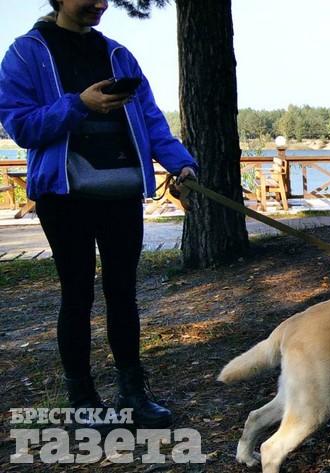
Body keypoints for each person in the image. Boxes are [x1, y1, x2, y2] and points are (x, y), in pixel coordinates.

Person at [0, 0, 198, 428]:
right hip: (63, 195)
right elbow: (21, 127)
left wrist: (181, 164)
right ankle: (83, 402)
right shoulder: (26, 52)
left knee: (123, 292)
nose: (101, 4)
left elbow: (150, 120)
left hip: (121, 190)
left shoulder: (118, 54)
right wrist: (79, 104)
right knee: (77, 295)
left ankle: (133, 394)